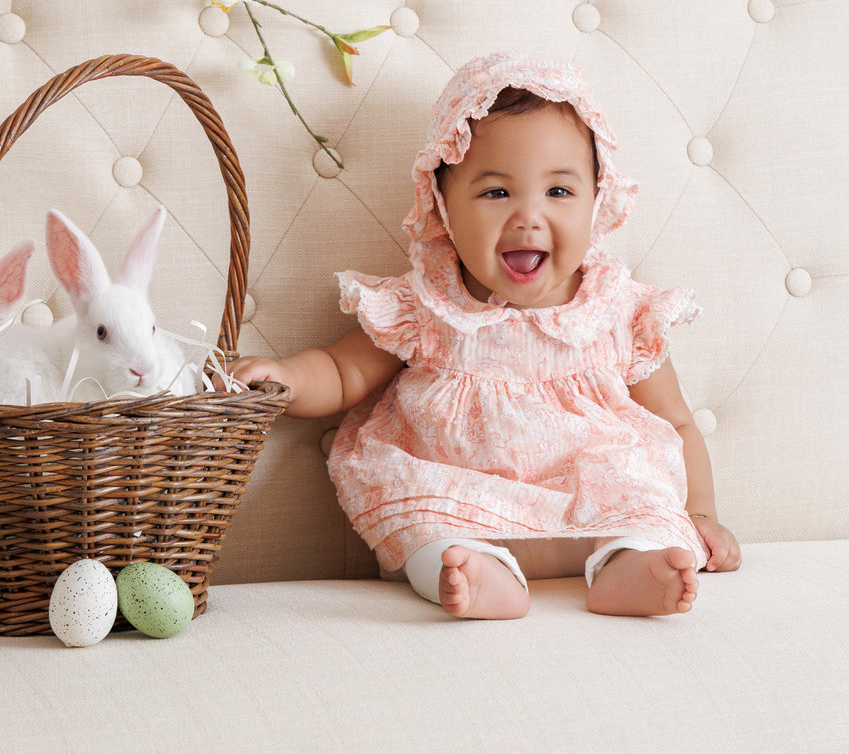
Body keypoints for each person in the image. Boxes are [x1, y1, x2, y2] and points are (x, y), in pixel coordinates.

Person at [231, 52, 741, 619]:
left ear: (597, 199)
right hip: (461, 501)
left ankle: (631, 570)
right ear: (444, 206)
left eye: (559, 192)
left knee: (649, 511)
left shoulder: (618, 311)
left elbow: (675, 423)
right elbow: (342, 371)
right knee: (424, 531)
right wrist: (285, 378)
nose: (528, 216)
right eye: (497, 193)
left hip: (599, 506)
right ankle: (475, 575)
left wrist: (699, 513)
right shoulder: (427, 305)